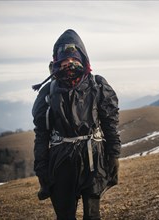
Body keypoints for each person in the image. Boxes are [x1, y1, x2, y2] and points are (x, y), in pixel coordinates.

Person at [32, 29, 121, 220]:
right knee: (64, 216)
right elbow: (41, 135)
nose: (69, 64)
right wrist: (41, 170)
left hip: (93, 160)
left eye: (74, 59)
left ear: (83, 59)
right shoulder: (48, 93)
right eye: (64, 61)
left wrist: (114, 155)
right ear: (57, 61)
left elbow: (110, 124)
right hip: (61, 162)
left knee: (93, 215)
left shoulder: (97, 86)